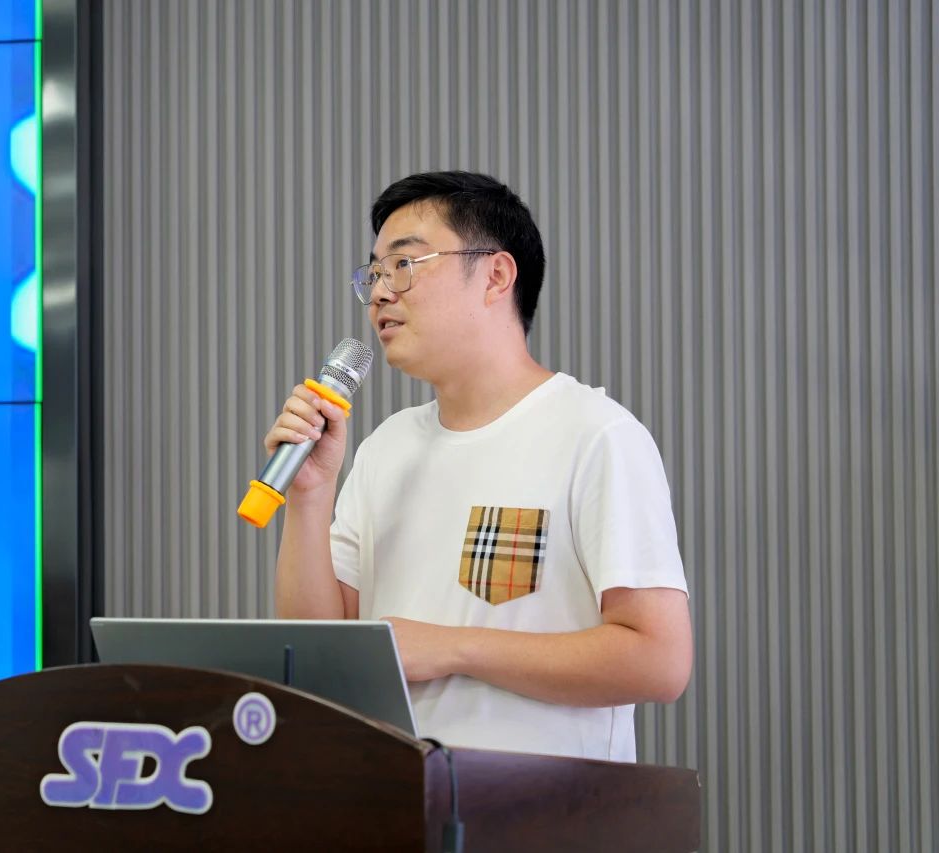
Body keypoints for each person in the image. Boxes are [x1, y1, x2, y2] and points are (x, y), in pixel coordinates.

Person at [268, 171, 692, 761]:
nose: (382, 293)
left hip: (545, 804)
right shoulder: (387, 447)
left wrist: (452, 647)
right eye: (375, 273)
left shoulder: (595, 434)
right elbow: (318, 653)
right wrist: (310, 495)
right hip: (392, 794)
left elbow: (659, 660)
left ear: (495, 276)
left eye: (404, 265)